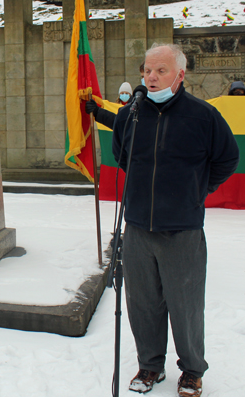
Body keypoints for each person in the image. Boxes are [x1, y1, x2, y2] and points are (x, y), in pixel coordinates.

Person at [112, 44, 239, 397]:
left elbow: (227, 158)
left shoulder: (202, 116)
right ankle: (150, 366)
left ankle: (192, 371)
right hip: (137, 227)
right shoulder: (130, 115)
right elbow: (122, 155)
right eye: (147, 70)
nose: (151, 77)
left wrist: (198, 190)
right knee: (143, 305)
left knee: (185, 306)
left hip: (182, 230)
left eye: (161, 70)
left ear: (180, 75)